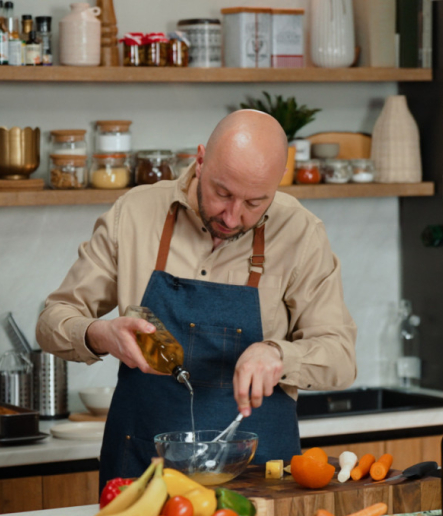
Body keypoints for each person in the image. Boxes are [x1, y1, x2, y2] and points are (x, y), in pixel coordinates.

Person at [36, 110, 357, 490]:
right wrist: (100, 333)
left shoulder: (301, 233)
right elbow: (52, 319)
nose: (233, 217)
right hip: (142, 470)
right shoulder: (135, 213)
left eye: (255, 203)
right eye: (223, 193)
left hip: (259, 477)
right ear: (200, 161)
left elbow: (341, 356)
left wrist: (278, 354)